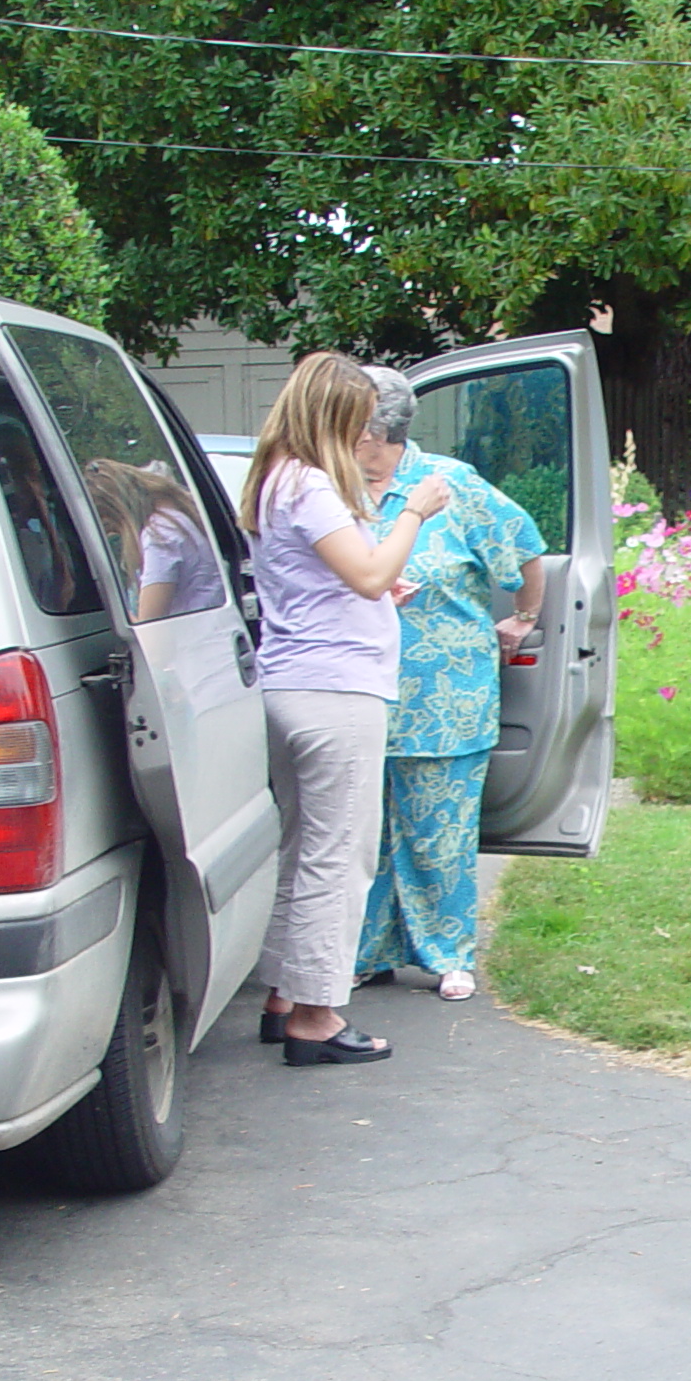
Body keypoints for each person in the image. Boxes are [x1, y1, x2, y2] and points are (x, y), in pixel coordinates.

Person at [245, 352, 448, 1066]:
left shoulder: (275, 480)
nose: (368, 437)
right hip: (337, 693)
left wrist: (378, 586)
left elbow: (333, 581)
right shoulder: (310, 484)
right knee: (341, 857)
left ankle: (281, 995)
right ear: (331, 416)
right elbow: (367, 574)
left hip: (291, 681)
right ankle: (316, 1018)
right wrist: (414, 515)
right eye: (360, 422)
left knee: (303, 851)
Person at [350, 367, 548, 1001]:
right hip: (357, 690)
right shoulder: (331, 486)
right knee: (366, 834)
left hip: (445, 693)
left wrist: (524, 617)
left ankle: (448, 953)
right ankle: (365, 952)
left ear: (375, 431)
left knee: (442, 831)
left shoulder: (449, 484)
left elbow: (523, 547)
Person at [81, 458, 226, 621]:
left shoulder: (159, 536)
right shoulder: (177, 517)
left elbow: (149, 626)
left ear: (118, 511)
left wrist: (110, 606)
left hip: (191, 639)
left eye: (111, 525)